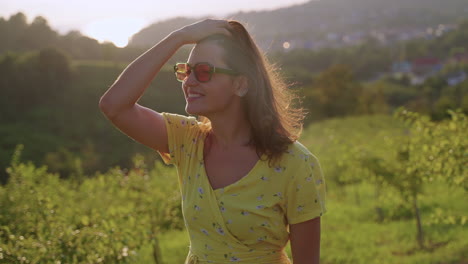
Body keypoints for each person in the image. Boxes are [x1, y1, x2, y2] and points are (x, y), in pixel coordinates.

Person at [99, 19, 327, 264]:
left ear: (241, 84)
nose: (189, 82)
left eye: (203, 72)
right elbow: (114, 106)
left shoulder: (295, 164)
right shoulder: (187, 141)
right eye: (186, 72)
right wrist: (178, 37)